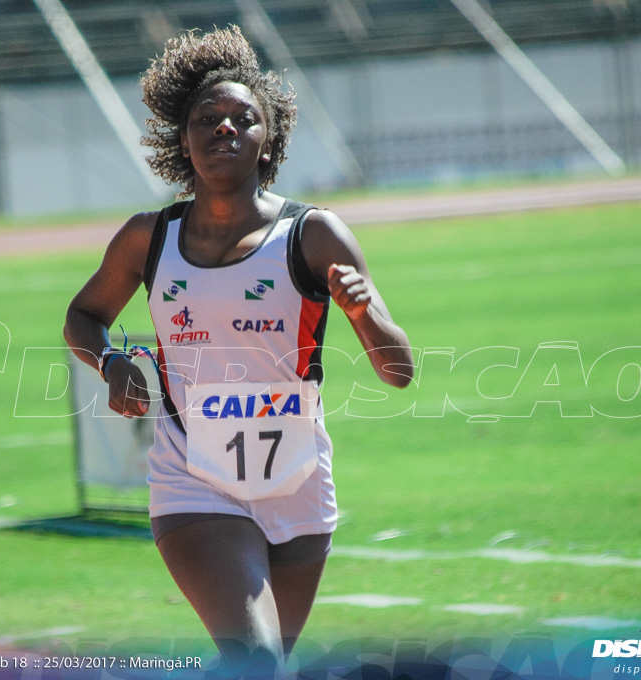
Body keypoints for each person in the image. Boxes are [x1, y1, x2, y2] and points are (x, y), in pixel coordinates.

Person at [63, 25, 413, 677]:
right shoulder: (149, 239)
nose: (224, 128)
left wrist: (364, 314)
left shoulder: (314, 234)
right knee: (250, 655)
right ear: (183, 138)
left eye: (242, 119)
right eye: (207, 119)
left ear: (269, 138)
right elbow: (83, 317)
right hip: (192, 477)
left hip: (298, 482)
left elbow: (398, 371)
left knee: (270, 664)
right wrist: (110, 362)